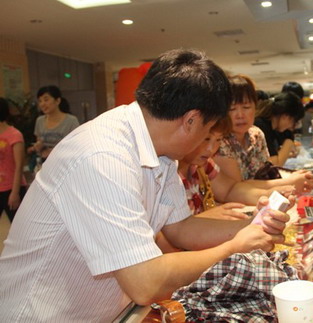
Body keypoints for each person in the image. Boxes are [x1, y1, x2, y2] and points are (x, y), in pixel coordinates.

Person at [0, 49, 291, 322]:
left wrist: (254, 225)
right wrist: (232, 248)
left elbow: (180, 229)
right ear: (191, 120)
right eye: (206, 131)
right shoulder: (102, 156)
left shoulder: (160, 151)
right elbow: (144, 281)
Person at [214, 74, 313, 191]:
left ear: (255, 107)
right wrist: (289, 182)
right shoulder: (219, 140)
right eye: (232, 109)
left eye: (246, 107)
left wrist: (294, 177)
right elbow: (236, 189)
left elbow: (265, 175)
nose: (240, 115)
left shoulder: (256, 134)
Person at [178, 117, 295, 218]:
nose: (211, 148)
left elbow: (229, 189)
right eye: (206, 139)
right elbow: (175, 233)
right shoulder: (170, 173)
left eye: (218, 140)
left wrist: (269, 194)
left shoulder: (202, 165)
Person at [27, 85, 79, 161]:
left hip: (64, 162)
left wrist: (53, 151)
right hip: (44, 162)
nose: (42, 104)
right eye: (40, 101)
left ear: (57, 101)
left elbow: (76, 146)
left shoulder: (71, 121)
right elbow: (39, 141)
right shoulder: (39, 120)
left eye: (46, 100)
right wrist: (38, 146)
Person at [254, 92, 305, 166]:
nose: (292, 127)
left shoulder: (273, 127)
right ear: (286, 116)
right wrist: (290, 140)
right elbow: (275, 165)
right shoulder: (261, 126)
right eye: (294, 122)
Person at [0, 98, 27, 222]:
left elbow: (19, 165)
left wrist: (15, 193)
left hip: (12, 187)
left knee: (19, 228)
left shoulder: (14, 135)